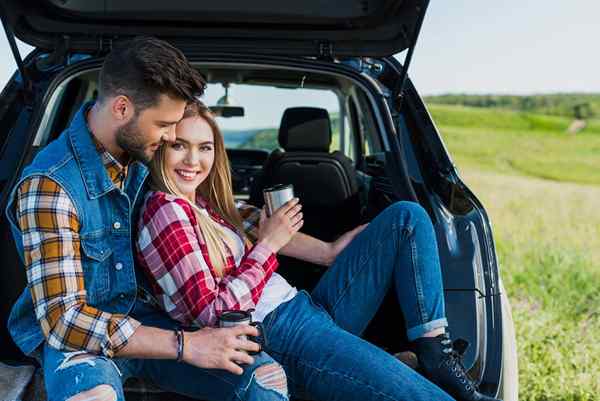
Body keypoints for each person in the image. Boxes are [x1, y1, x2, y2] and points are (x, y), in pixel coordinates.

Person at [136, 100, 502, 401]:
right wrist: (267, 246)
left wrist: (328, 251)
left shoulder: (202, 203)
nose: (192, 161)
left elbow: (256, 224)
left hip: (305, 309)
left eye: (204, 148)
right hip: (279, 332)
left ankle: (434, 350)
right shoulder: (166, 211)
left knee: (405, 218)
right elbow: (212, 313)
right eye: (179, 146)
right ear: (159, 148)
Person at [5, 37, 289, 401]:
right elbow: (64, 320)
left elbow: (212, 212)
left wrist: (311, 243)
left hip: (151, 315)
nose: (173, 137)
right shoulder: (50, 186)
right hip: (83, 338)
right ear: (122, 108)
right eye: (165, 125)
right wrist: (185, 344)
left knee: (266, 378)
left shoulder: (142, 152)